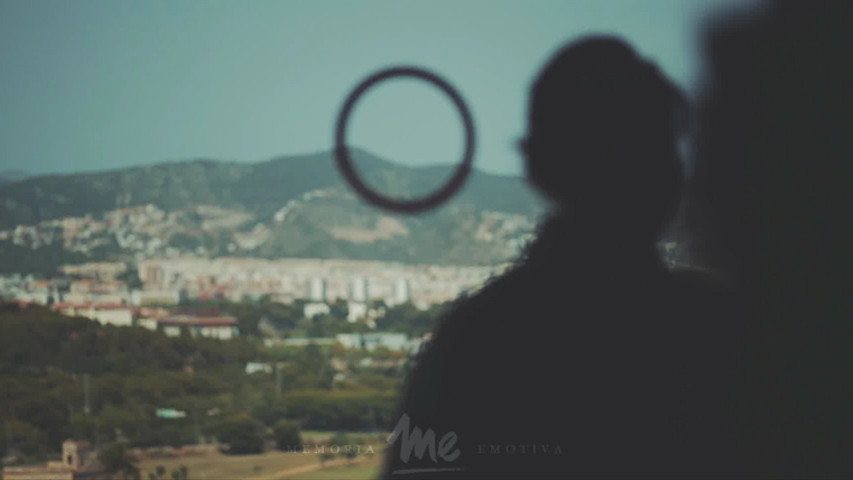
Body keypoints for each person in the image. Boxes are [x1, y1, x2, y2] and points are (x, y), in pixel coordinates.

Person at [382, 36, 739, 479]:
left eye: (640, 145)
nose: (625, 171)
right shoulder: (725, 332)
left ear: (536, 165)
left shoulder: (475, 342)